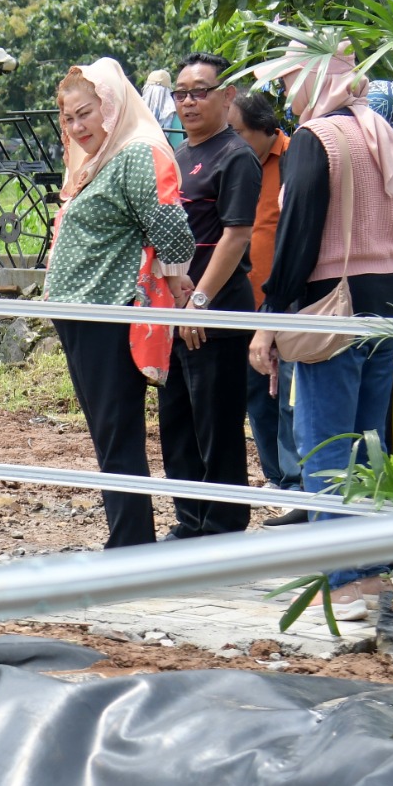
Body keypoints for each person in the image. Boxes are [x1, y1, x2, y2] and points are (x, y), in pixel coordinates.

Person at [251, 49, 393, 617]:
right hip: (389, 302)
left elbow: (298, 237)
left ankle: (344, 579)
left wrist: (272, 317)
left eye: (292, 80)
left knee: (325, 447)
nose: (289, 93)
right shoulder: (382, 132)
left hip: (332, 306)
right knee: (370, 444)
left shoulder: (317, 138)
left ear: (315, 79)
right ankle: (370, 574)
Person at [45, 58, 194, 549]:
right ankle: (127, 539)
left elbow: (170, 224)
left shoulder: (137, 153)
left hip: (109, 313)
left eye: (86, 113)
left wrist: (179, 283)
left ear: (112, 105)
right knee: (107, 432)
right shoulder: (97, 160)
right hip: (82, 315)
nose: (77, 126)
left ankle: (130, 545)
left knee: (117, 431)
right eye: (68, 119)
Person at [157, 55, 261, 537]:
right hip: (176, 310)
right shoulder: (178, 157)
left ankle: (222, 526)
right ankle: (190, 518)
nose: (189, 101)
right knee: (176, 417)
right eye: (181, 92)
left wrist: (200, 302)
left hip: (214, 306)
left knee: (216, 421)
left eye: (200, 91)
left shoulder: (235, 156)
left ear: (227, 96)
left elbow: (236, 237)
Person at [235, 90, 304, 509]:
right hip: (245, 296)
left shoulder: (296, 156)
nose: (235, 139)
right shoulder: (236, 162)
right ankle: (274, 476)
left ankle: (296, 479)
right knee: (256, 388)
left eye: (240, 132)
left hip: (287, 297)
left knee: (290, 390)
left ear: (266, 129)